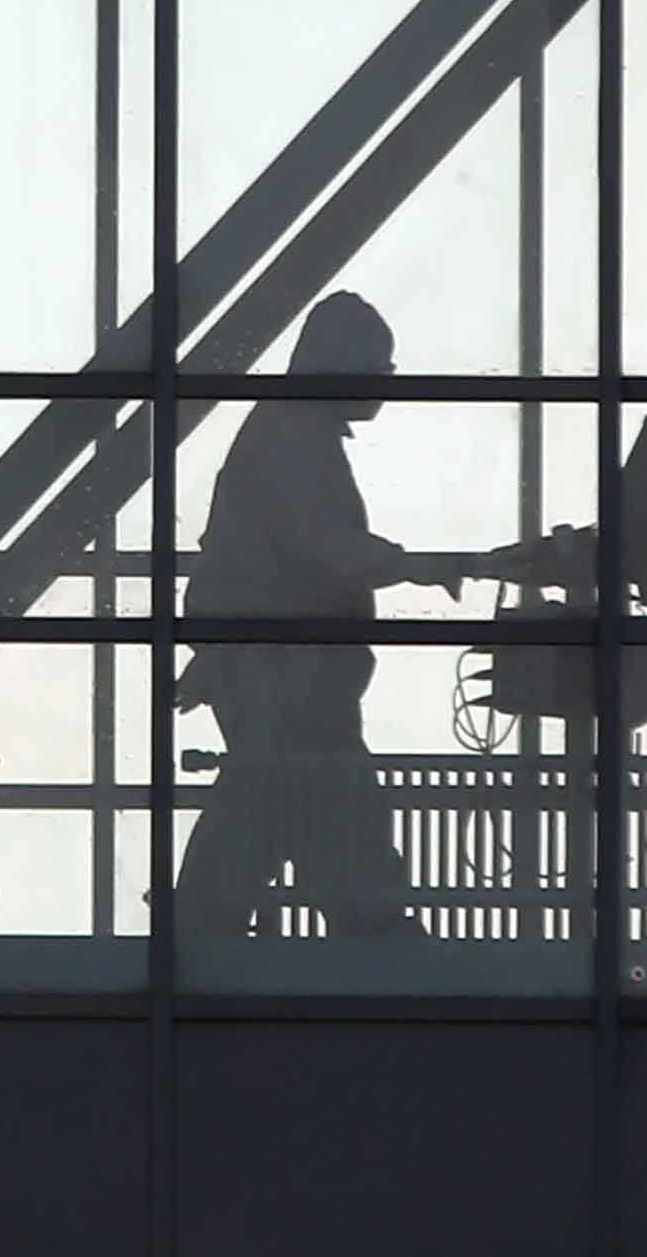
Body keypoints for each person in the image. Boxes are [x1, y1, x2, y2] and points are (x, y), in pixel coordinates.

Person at [175, 292, 462, 938]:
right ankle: (364, 927)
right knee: (311, 792)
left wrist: (213, 656)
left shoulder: (284, 433)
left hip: (279, 663)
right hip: (290, 666)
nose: (386, 384)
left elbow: (255, 553)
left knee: (280, 795)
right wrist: (415, 565)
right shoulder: (293, 439)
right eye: (379, 368)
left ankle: (213, 924)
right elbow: (322, 548)